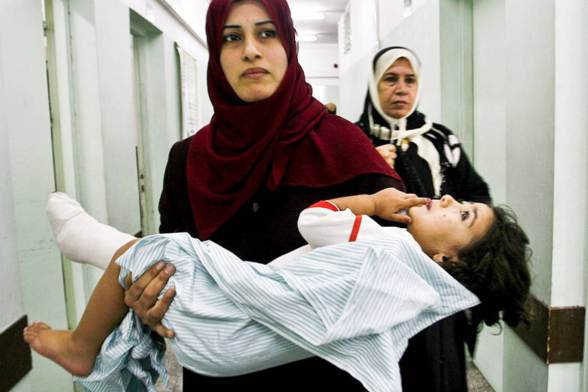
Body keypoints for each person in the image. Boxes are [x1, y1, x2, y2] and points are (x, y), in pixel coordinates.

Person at [125, 1, 406, 390]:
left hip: (330, 377)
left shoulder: (346, 146)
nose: (251, 50)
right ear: (216, 55)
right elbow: (172, 264)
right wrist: (152, 301)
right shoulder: (189, 159)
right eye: (232, 38)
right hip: (224, 374)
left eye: (266, 33)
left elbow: (401, 273)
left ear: (289, 45)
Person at [25, 190, 530, 392]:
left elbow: (313, 219)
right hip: (232, 353)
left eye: (461, 214)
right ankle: (95, 257)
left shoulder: (385, 248)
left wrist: (373, 202)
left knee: (164, 251)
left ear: (447, 260)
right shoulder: (409, 298)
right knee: (155, 261)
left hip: (229, 325)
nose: (445, 197)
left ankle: (81, 345)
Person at [356, 46, 492, 391]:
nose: (401, 89)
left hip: (435, 290)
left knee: (435, 373)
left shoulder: (441, 139)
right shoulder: (352, 139)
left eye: (410, 80)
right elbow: (334, 204)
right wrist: (365, 166)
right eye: (390, 79)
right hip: (374, 289)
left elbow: (478, 197)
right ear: (373, 84)